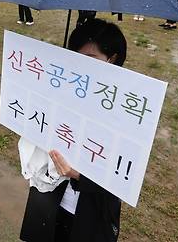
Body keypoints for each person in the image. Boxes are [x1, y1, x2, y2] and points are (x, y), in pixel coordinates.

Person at [20, 18, 125, 242]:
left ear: (112, 59)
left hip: (88, 214)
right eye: (75, 56)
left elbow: (123, 178)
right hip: (49, 200)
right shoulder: (62, 92)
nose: (79, 65)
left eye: (90, 58)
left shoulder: (124, 112)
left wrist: (77, 175)